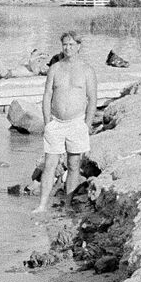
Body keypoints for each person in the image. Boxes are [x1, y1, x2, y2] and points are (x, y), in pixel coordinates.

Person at [32, 31, 98, 215]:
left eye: (71, 44)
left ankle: (68, 204)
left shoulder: (87, 70)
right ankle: (42, 205)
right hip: (56, 122)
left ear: (78, 46)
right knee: (49, 164)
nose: (68, 48)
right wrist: (47, 122)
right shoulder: (55, 68)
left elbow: (92, 99)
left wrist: (87, 124)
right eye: (65, 45)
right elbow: (47, 95)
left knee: (74, 164)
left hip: (77, 122)